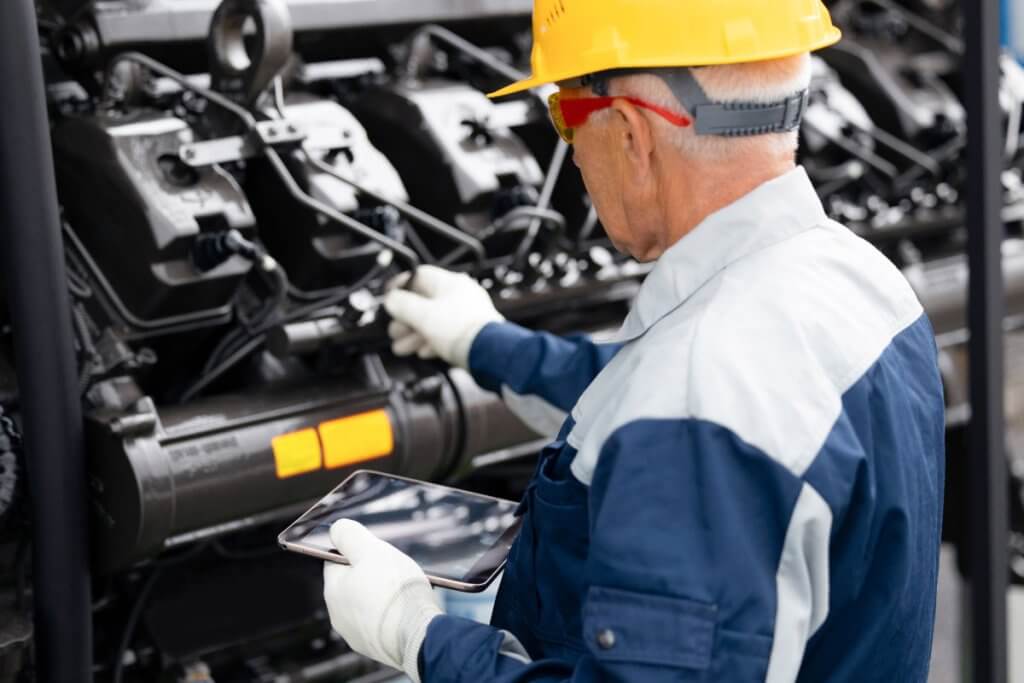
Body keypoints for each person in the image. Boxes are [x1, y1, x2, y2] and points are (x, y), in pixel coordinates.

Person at [321, 0, 946, 680]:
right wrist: (484, 340)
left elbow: (687, 410)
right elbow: (644, 392)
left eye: (564, 117)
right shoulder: (861, 285)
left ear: (627, 134)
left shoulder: (698, 399)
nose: (571, 152)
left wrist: (413, 632)